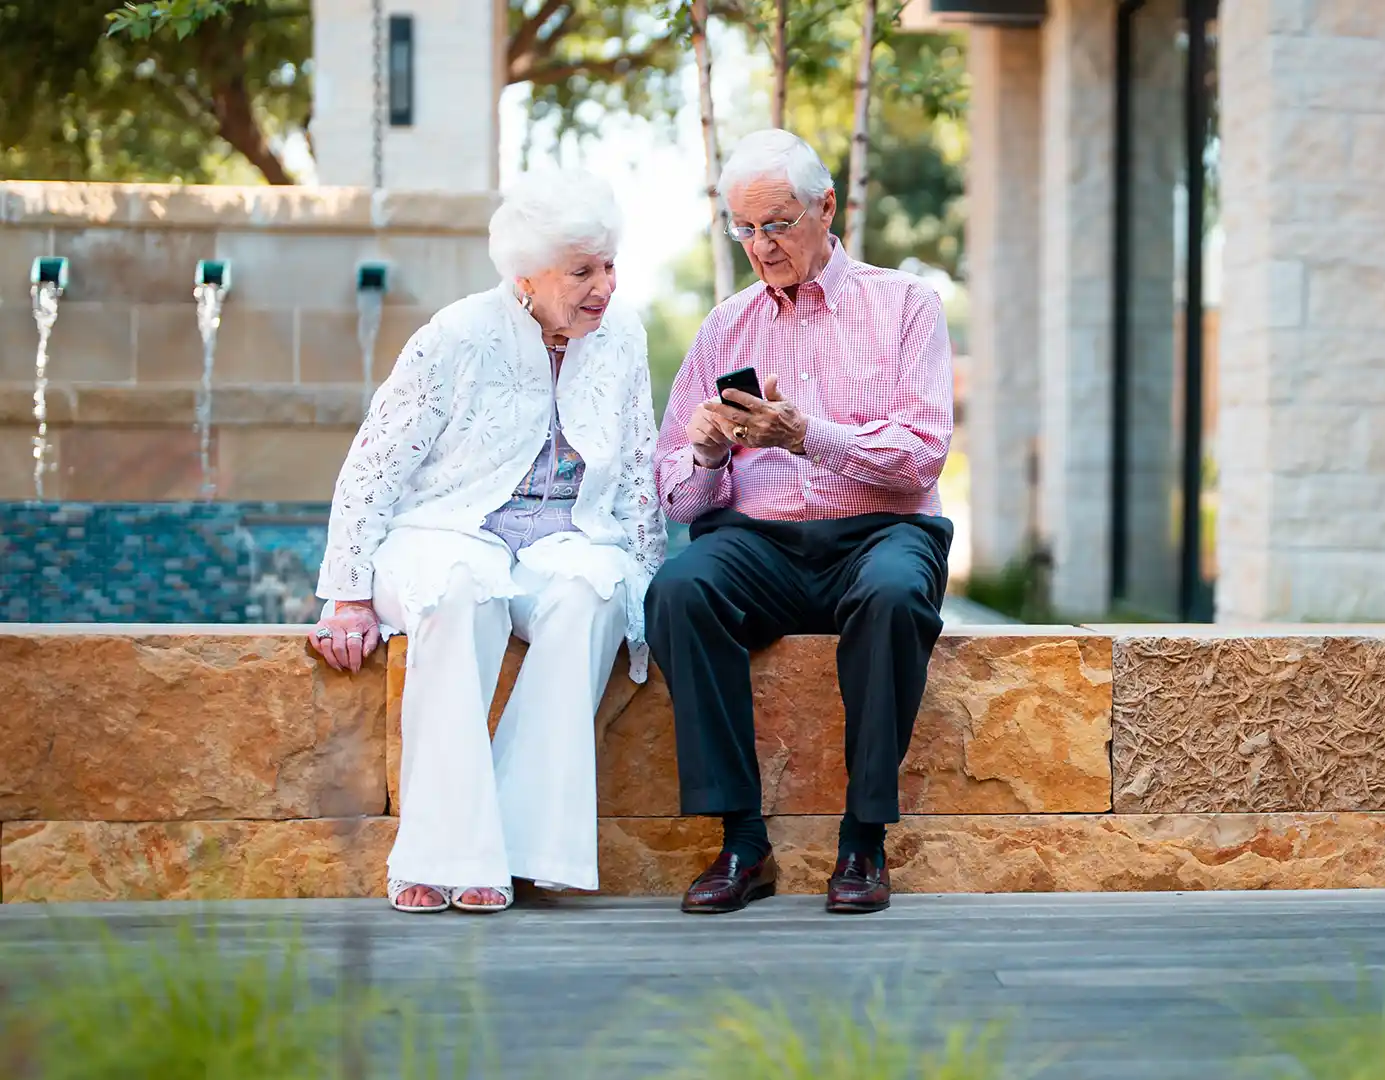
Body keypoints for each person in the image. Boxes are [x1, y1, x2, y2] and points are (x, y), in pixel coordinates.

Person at [308, 172, 667, 915]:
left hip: (568, 534)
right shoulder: (457, 334)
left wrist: (645, 590)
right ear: (526, 276)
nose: (603, 286)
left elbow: (636, 465)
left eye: (608, 265)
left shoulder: (622, 334)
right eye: (582, 272)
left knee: (592, 589)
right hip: (448, 526)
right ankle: (442, 855)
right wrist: (345, 592)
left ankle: (525, 842)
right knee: (463, 589)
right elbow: (376, 464)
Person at [647, 129, 955, 916]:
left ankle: (864, 838)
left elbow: (921, 456)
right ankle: (743, 843)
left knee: (892, 595)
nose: (759, 246)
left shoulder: (907, 305)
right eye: (743, 229)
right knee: (680, 590)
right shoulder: (725, 325)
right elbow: (676, 500)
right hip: (762, 544)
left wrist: (802, 433)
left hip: (882, 533)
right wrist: (709, 453)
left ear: (827, 208)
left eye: (776, 224)